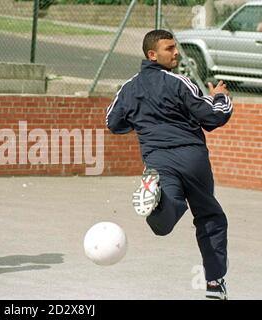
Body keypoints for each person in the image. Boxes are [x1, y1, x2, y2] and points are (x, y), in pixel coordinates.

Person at [106, 29, 232, 300]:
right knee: (210, 217)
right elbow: (212, 118)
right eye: (169, 48)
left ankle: (157, 199)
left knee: (163, 223)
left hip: (158, 160)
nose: (176, 52)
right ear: (152, 54)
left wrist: (142, 121)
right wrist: (221, 98)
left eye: (175, 47)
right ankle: (214, 284)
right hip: (192, 158)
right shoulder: (180, 83)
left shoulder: (129, 88)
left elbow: (113, 123)